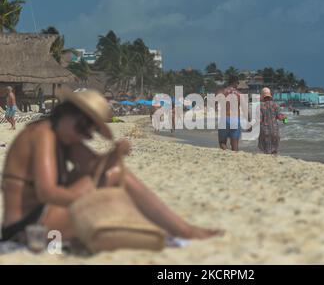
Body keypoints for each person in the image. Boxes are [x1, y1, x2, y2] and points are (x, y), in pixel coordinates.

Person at [1, 89, 221, 244]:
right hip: (27, 228)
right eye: (82, 127)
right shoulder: (43, 134)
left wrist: (114, 154)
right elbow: (47, 192)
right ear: (68, 115)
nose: (82, 136)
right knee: (111, 179)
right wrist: (89, 198)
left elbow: (96, 167)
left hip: (40, 218)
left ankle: (183, 229)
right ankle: (184, 231)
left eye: (87, 131)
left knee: (113, 174)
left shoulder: (64, 135)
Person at [217, 75, 248, 152]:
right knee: (235, 146)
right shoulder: (239, 94)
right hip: (235, 119)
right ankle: (234, 156)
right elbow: (245, 110)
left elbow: (214, 104)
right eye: (238, 83)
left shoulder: (222, 92)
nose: (238, 85)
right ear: (235, 83)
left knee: (222, 142)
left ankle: (225, 152)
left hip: (224, 118)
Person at [257, 88, 285, 155]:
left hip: (265, 131)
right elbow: (280, 118)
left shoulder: (260, 106)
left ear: (262, 96)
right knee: (274, 150)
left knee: (266, 151)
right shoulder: (276, 105)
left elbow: (260, 120)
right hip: (275, 131)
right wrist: (285, 118)